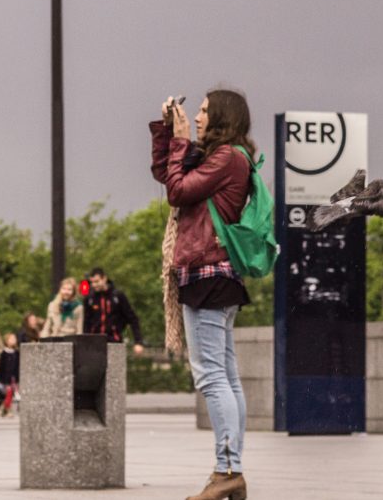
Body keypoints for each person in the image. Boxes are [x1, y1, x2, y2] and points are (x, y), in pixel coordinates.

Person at [152, 90, 254, 500]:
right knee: (225, 376)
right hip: (215, 275)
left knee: (212, 377)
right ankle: (231, 469)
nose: (195, 118)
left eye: (204, 111)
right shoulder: (220, 157)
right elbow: (167, 174)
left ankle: (227, 469)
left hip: (208, 274)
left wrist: (178, 140)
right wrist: (166, 133)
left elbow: (177, 192)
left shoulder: (227, 158)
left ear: (223, 118)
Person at [81, 266, 145, 350]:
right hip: (94, 342)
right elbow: (86, 322)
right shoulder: (89, 299)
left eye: (97, 282)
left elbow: (132, 318)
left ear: (104, 279)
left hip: (114, 341)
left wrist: (138, 341)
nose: (94, 285)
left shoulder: (118, 296)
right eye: (92, 282)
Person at [0, 331, 22, 414]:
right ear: (6, 341)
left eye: (14, 338)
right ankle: (7, 409)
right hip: (5, 377)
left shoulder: (17, 353)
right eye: (11, 339)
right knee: (8, 393)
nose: (14, 340)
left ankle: (4, 408)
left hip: (14, 377)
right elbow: (1, 367)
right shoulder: (3, 353)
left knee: (11, 394)